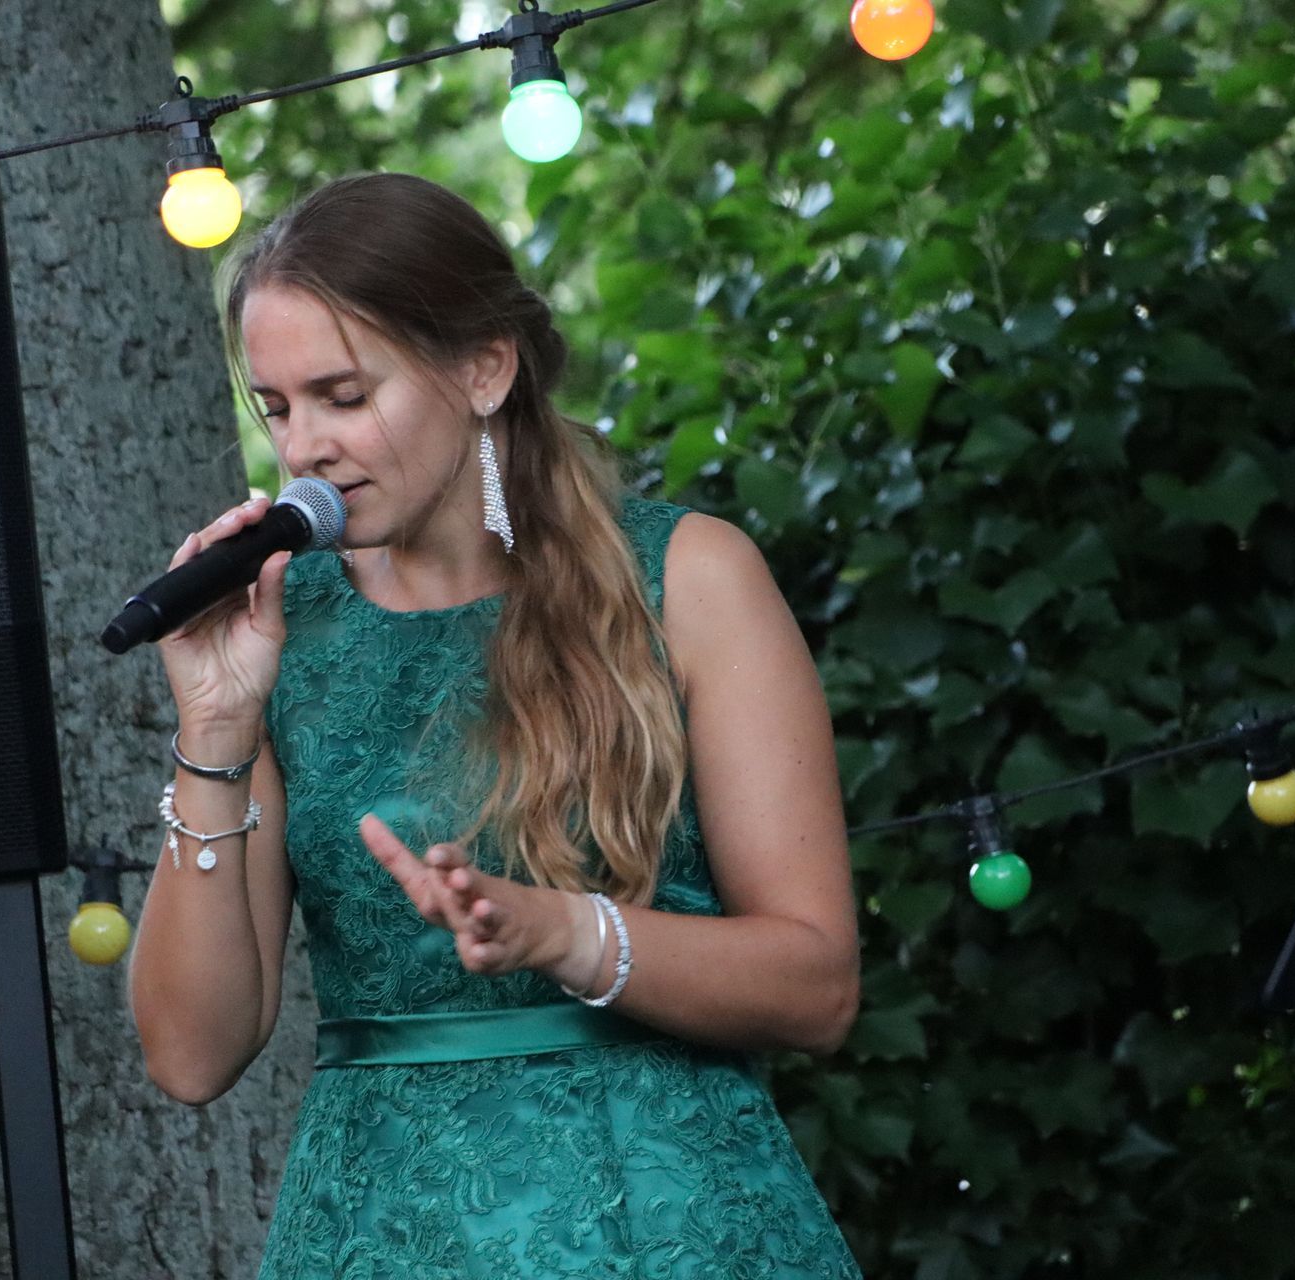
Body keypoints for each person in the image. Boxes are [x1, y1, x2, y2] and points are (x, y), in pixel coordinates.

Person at [128, 171, 862, 1278]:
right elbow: (191, 1053)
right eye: (277, 408)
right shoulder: (286, 632)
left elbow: (816, 986)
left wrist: (564, 933)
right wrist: (218, 726)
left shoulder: (689, 576)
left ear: (483, 367)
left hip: (668, 1226)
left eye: (343, 393)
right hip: (376, 1235)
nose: (306, 447)